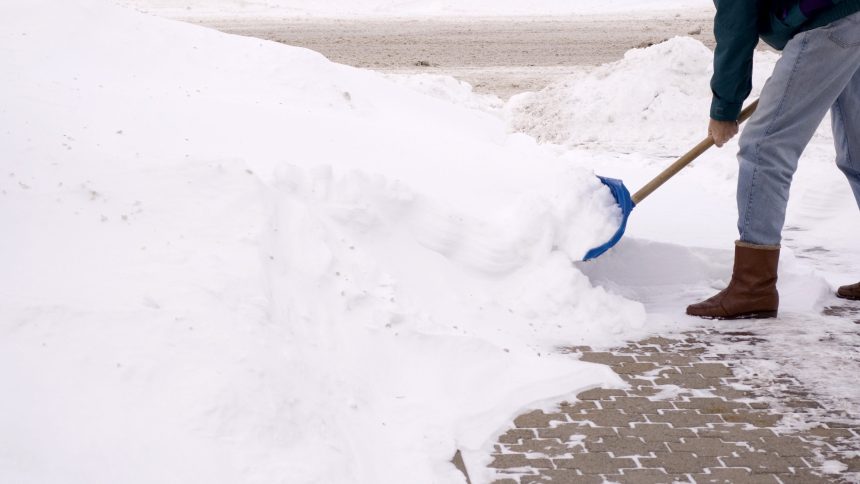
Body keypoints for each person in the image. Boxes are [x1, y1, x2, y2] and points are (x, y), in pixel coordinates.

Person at [686, 0, 860, 319]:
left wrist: (724, 109)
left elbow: (737, 23)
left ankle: (753, 288)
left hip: (830, 19)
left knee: (763, 148)